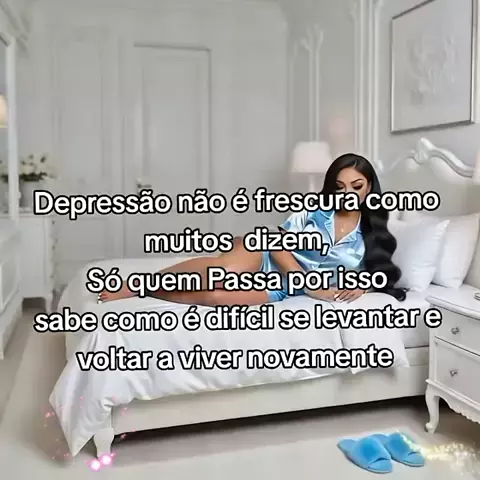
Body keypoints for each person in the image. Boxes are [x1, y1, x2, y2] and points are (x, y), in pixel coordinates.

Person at [98, 153, 407, 305]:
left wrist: (365, 286)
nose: (347, 193)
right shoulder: (315, 211)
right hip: (265, 256)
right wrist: (305, 279)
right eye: (339, 186)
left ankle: (150, 291)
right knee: (223, 272)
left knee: (216, 297)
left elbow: (385, 275)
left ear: (369, 188)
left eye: (356, 186)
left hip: (284, 287)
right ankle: (136, 285)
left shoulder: (372, 234)